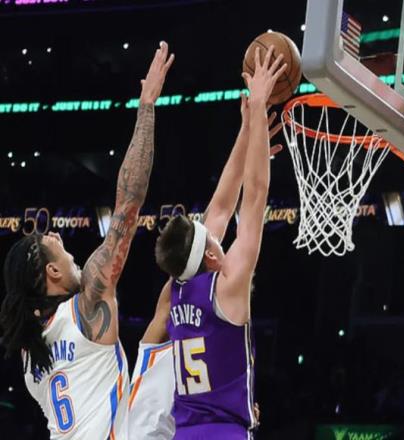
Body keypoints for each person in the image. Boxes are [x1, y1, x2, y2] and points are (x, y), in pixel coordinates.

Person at [0, 42, 174, 439]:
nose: (61, 238)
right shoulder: (86, 307)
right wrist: (146, 106)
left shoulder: (30, 352)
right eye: (57, 244)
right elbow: (128, 204)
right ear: (52, 271)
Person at [128, 75, 282, 439]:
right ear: (211, 255)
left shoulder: (174, 292)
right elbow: (255, 195)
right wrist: (259, 106)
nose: (216, 230)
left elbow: (223, 206)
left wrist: (248, 131)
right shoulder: (228, 288)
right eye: (213, 237)